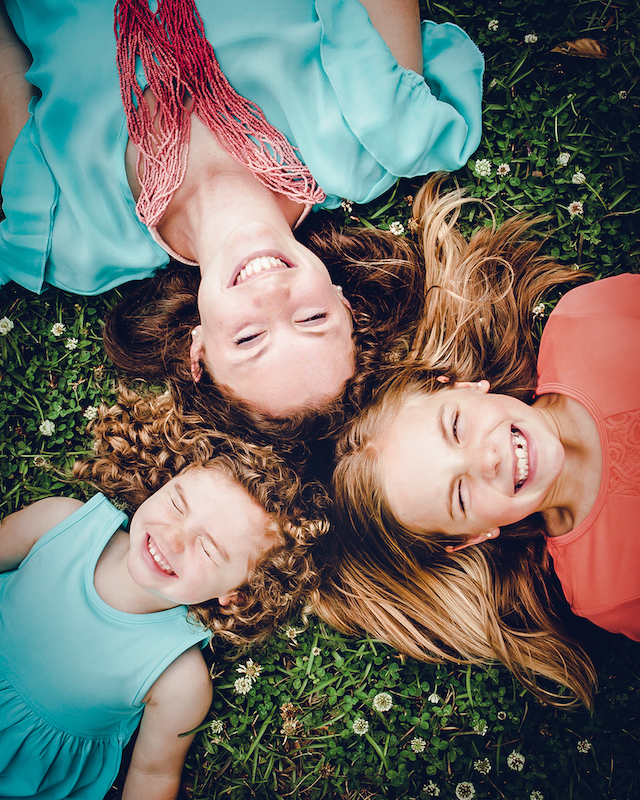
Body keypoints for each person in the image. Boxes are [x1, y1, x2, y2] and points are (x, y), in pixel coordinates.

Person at [0, 0, 484, 421]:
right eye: (313, 318)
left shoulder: (69, 236)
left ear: (198, 350)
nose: (272, 293)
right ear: (343, 301)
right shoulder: (383, 134)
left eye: (249, 338)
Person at [313, 200, 631, 708]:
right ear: (473, 537)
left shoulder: (586, 324)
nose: (486, 461)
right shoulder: (605, 590)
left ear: (462, 386)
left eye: (456, 426)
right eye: (459, 495)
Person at [0, 392, 327, 799]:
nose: (173, 539)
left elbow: (153, 775)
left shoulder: (179, 680)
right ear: (165, 480)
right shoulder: (59, 521)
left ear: (237, 594)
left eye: (208, 549)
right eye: (177, 504)